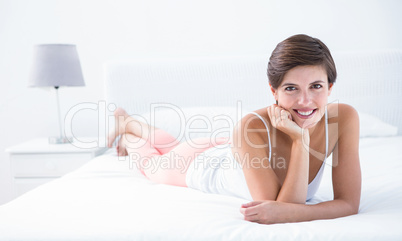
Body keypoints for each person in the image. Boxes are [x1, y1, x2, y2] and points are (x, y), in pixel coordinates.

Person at [107, 34, 361, 224]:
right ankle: (129, 134)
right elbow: (279, 208)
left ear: (330, 87)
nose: (305, 101)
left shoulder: (345, 118)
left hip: (238, 151)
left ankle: (128, 121)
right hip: (204, 165)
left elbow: (346, 204)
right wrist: (300, 140)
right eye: (291, 88)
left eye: (316, 86)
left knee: (170, 144)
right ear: (274, 91)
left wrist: (299, 136)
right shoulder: (250, 126)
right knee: (153, 165)